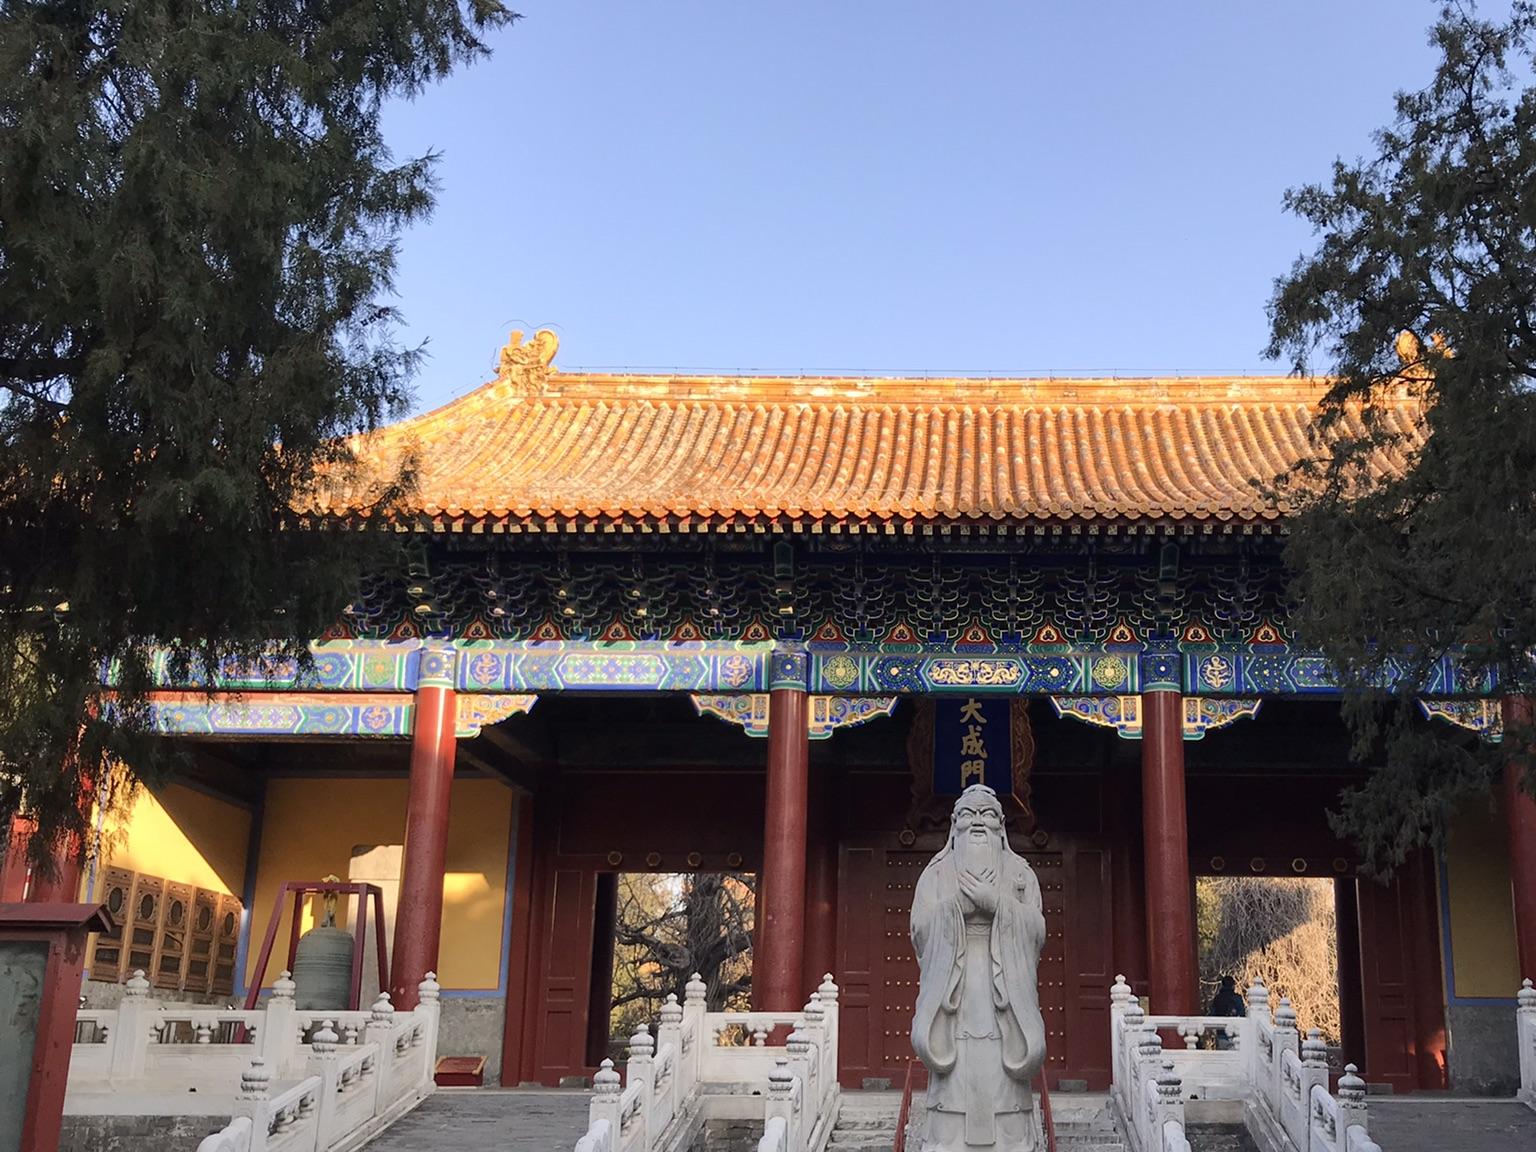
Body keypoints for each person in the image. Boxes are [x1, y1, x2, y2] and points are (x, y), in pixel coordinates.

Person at [910, 785, 1047, 1151]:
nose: (977, 823)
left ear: (1001, 826)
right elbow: (920, 931)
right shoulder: (935, 873)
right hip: (953, 996)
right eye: (968, 815)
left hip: (1004, 996)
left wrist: (997, 904)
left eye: (987, 815)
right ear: (953, 824)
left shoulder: (1020, 873)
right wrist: (957, 906)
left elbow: (1036, 931)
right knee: (951, 1096)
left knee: (1006, 1096)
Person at [1209, 975, 1245, 1050]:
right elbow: (1242, 1014)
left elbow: (1212, 1015)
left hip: (1221, 1034)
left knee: (1222, 1055)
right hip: (1235, 1034)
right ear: (1233, 986)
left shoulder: (1217, 999)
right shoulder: (1237, 998)